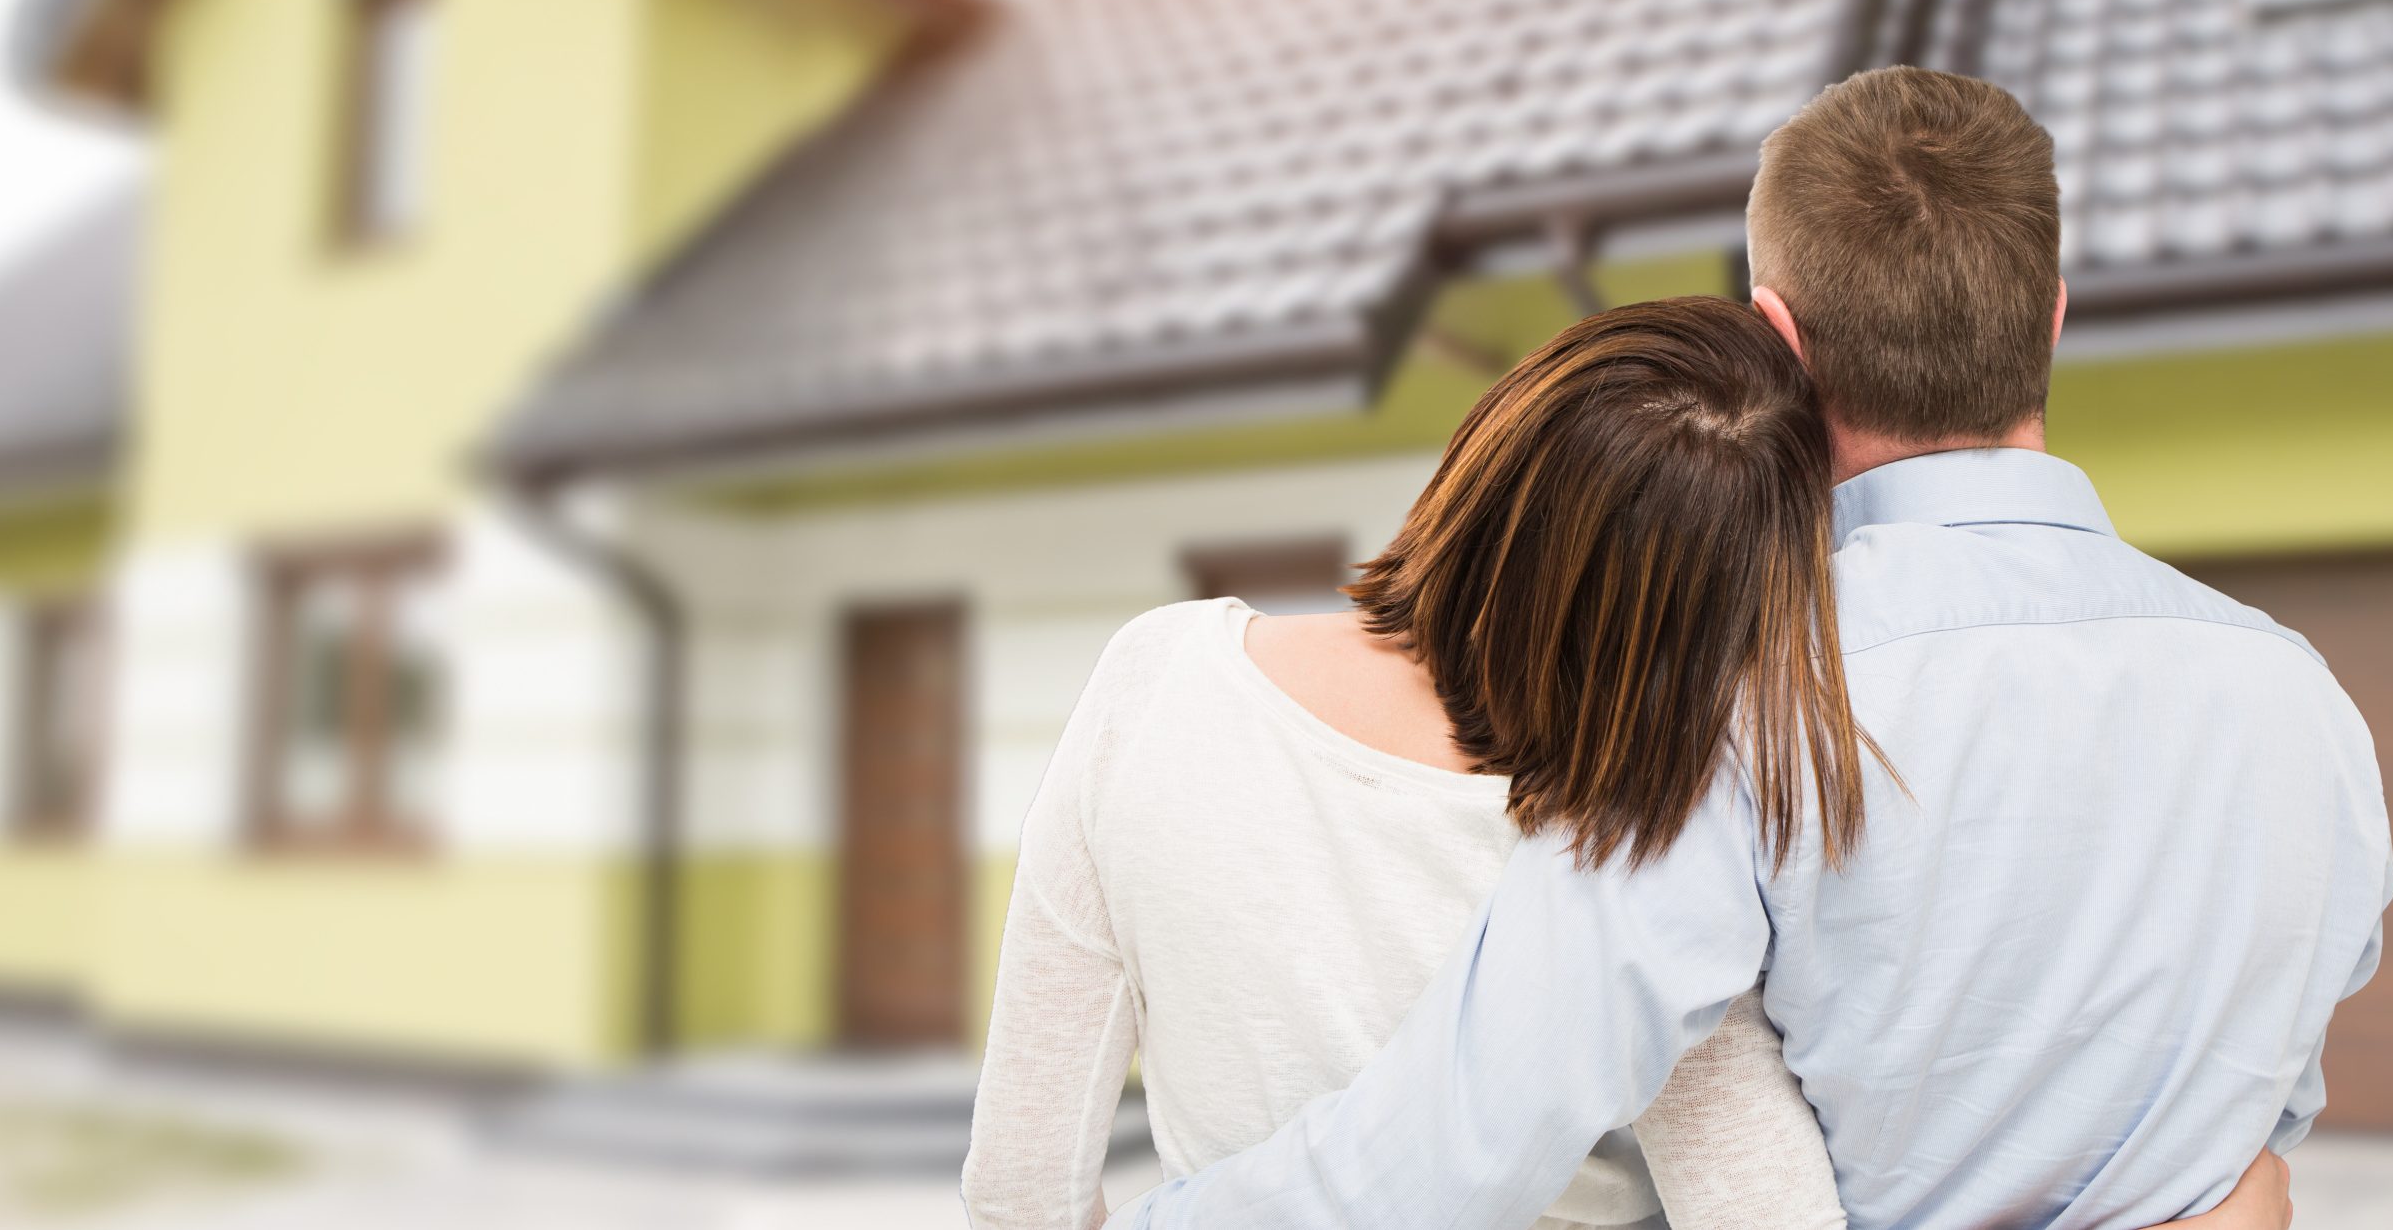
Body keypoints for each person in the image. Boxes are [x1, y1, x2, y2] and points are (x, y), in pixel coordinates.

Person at [1116, 67, 2393, 1230]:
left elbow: (1464, 1138)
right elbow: (2260, 1120)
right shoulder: (2301, 699)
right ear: (2051, 319)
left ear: (1775, 335)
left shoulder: (1734, 700)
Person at [963, 296, 2295, 1230]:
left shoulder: (1157, 680)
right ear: (1729, 609)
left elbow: (1021, 1181)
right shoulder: (1650, 832)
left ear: (1496, 441)